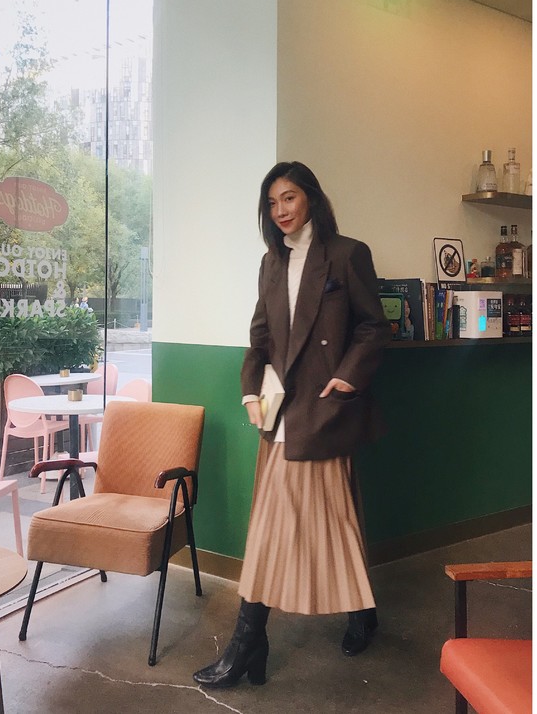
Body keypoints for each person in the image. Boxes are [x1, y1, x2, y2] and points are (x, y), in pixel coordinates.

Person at [193, 161, 391, 689]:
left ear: (311, 199)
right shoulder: (270, 262)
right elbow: (260, 336)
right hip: (280, 411)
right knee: (315, 519)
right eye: (272, 202)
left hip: (325, 408)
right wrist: (249, 390)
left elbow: (374, 327)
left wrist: (347, 378)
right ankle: (331, 620)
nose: (280, 210)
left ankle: (250, 641)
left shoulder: (347, 253)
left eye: (289, 198)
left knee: (321, 519)